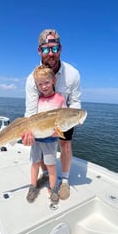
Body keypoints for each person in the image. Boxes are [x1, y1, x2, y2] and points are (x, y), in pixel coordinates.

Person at [23, 29, 81, 200]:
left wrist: (73, 120)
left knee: (66, 146)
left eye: (54, 48)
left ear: (60, 49)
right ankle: (46, 173)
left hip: (65, 116)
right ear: (39, 51)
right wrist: (28, 131)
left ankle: (64, 181)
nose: (51, 53)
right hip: (41, 121)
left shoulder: (73, 74)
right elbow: (31, 111)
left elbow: (76, 101)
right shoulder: (31, 79)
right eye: (46, 48)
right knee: (39, 150)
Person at [26, 64, 66, 204]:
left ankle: (54, 188)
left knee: (51, 165)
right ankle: (33, 186)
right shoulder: (37, 99)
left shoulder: (60, 99)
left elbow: (64, 118)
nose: (43, 86)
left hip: (50, 140)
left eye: (46, 82)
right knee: (35, 163)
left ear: (53, 81)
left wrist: (59, 131)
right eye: (40, 84)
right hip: (36, 140)